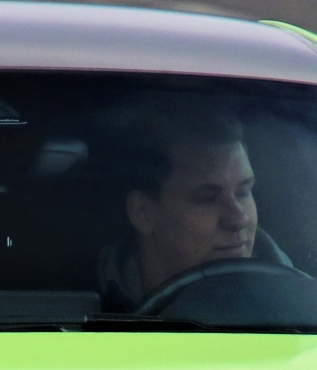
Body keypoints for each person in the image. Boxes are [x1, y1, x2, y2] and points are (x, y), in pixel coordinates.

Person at [97, 108, 279, 312]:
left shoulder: (300, 307)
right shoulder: (76, 319)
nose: (239, 219)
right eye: (207, 199)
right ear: (143, 213)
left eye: (244, 192)